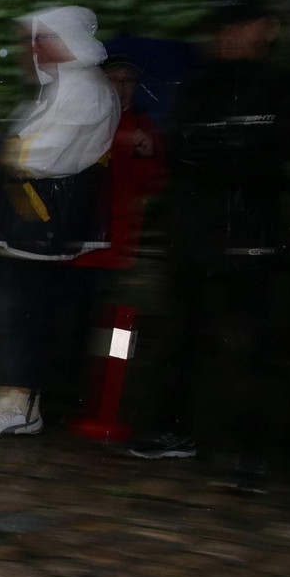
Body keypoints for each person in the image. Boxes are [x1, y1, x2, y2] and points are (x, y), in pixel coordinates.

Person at [125, 0, 290, 486]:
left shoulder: (281, 84)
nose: (227, 38)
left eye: (238, 27)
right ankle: (171, 430)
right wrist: (229, 144)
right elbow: (183, 146)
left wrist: (230, 145)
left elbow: (273, 149)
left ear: (263, 30)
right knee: (181, 336)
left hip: (251, 234)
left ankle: (251, 450)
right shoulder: (199, 84)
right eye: (221, 30)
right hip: (195, 232)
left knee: (253, 345)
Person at [0, 5, 120, 438]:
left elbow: (45, 157)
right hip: (27, 220)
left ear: (67, 41)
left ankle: (22, 404)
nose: (31, 49)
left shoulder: (86, 90)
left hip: (43, 221)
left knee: (26, 314)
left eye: (41, 39)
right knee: (16, 311)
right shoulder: (62, 88)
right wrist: (0, 153)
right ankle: (14, 393)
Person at [48, 53, 167, 404]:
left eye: (127, 79)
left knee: (106, 325)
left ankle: (101, 395)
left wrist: (146, 154)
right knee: (65, 322)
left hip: (114, 249)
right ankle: (62, 393)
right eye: (113, 78)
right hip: (73, 245)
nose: (120, 85)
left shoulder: (145, 126)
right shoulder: (78, 119)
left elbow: (154, 185)